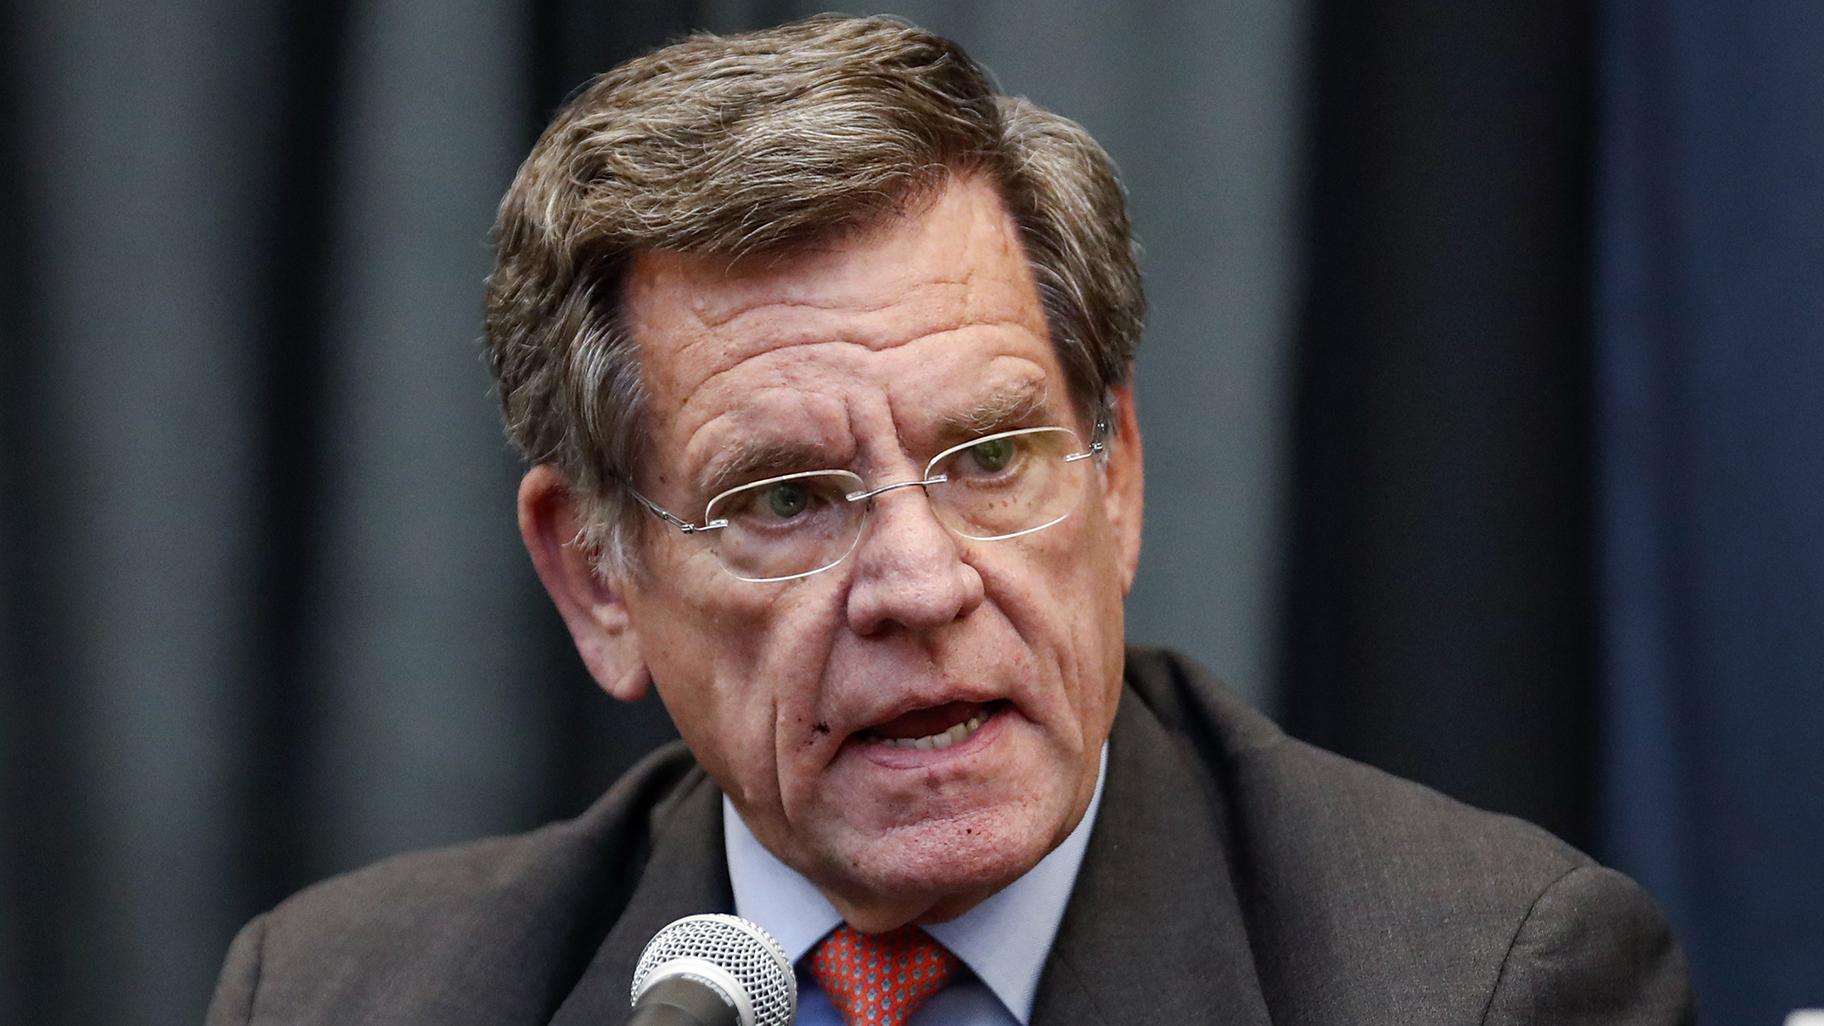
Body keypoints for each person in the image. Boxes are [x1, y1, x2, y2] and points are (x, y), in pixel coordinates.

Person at [206, 15, 1693, 1026]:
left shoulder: (1480, 979)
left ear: (1115, 479)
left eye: (989, 456)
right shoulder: (349, 991)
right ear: (598, 575)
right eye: (784, 497)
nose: (918, 581)